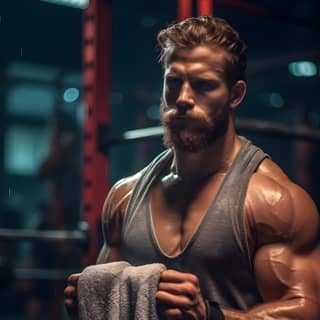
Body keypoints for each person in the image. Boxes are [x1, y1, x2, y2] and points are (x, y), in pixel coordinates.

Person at [64, 16, 320, 319]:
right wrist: (89, 299)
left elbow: (306, 310)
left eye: (204, 86)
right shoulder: (124, 196)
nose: (184, 98)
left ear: (235, 95)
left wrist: (211, 316)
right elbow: (110, 305)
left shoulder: (272, 202)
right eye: (174, 82)